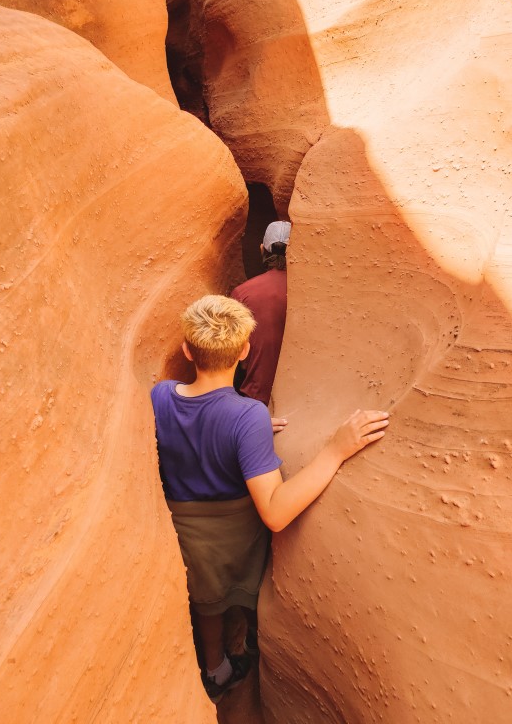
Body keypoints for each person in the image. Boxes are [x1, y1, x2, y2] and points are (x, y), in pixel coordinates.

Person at [150, 295, 389, 704]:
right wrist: (335, 450)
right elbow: (276, 513)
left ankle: (215, 669)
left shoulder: (161, 394)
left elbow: (199, 422)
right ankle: (248, 652)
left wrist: (251, 431)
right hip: (234, 532)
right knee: (246, 591)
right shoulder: (246, 416)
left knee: (206, 598)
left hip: (185, 529)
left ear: (188, 351)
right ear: (244, 350)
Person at [231, 220, 291, 432]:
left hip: (255, 398)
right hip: (297, 396)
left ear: (262, 250)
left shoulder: (243, 293)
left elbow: (238, 356)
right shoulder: (308, 290)